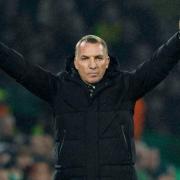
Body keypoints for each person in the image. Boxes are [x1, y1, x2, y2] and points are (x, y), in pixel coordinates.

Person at [0, 24, 180, 180]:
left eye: (98, 58)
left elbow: (159, 64)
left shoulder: (126, 87)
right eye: (85, 58)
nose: (92, 65)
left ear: (107, 61)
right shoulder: (58, 88)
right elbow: (22, 69)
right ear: (76, 62)